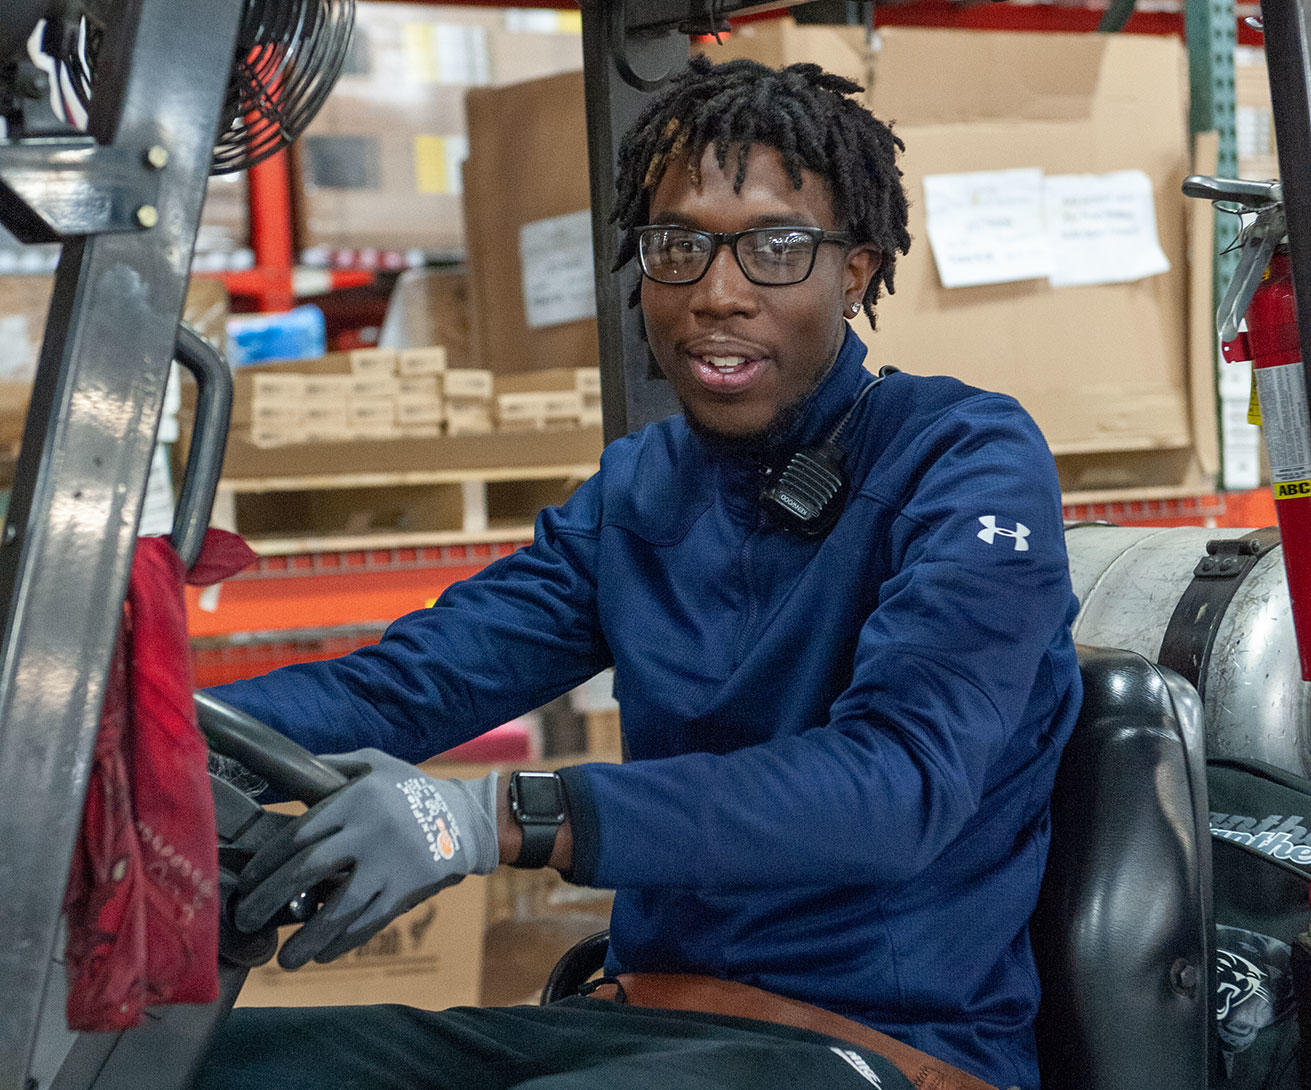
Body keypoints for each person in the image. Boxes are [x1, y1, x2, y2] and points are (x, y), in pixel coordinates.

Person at [195, 54, 1081, 1090]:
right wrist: (138, 743)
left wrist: (497, 818)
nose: (717, 294)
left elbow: (898, 785)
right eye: (677, 248)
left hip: (879, 1048)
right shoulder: (642, 491)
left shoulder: (964, 457)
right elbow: (409, 683)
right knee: (189, 1069)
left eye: (775, 249)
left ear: (858, 270)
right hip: (644, 1016)